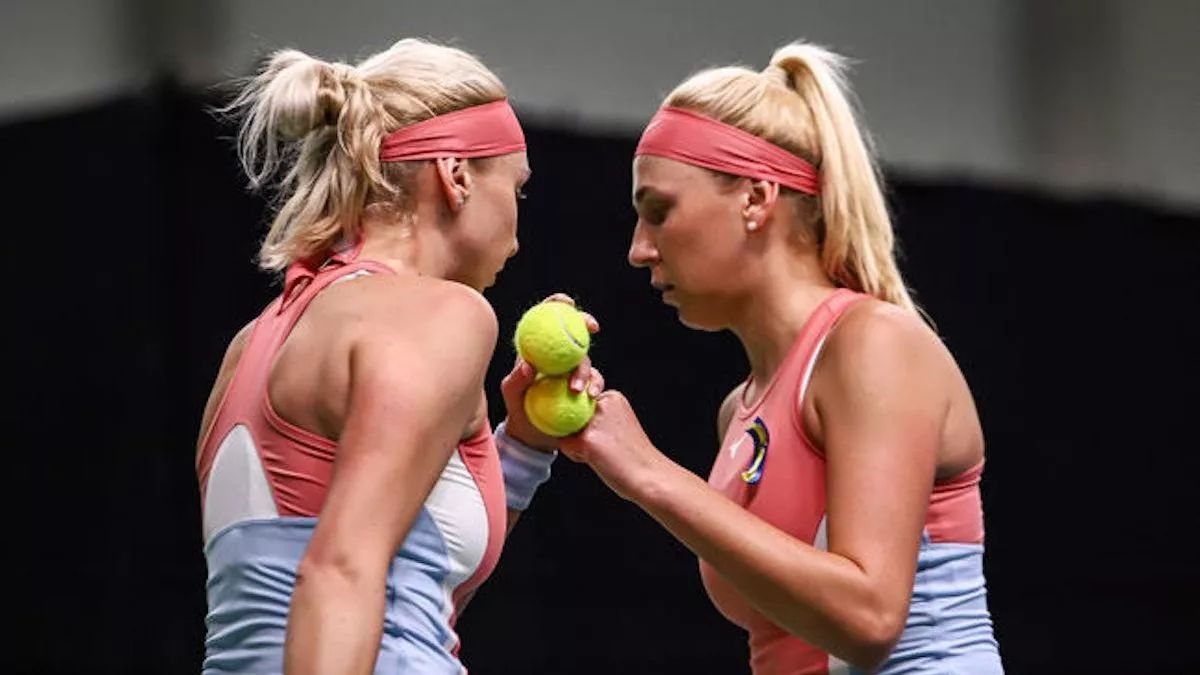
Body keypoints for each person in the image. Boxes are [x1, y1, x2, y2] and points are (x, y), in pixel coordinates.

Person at [556, 42, 1004, 673]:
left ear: (756, 198)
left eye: (659, 212)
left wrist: (650, 474)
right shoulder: (738, 411)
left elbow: (869, 620)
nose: (639, 249)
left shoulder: (874, 343)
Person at [194, 38, 600, 674]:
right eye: (516, 191)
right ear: (456, 176)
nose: (518, 235)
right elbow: (341, 572)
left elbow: (404, 605)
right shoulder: (447, 314)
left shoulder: (250, 344)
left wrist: (522, 450)